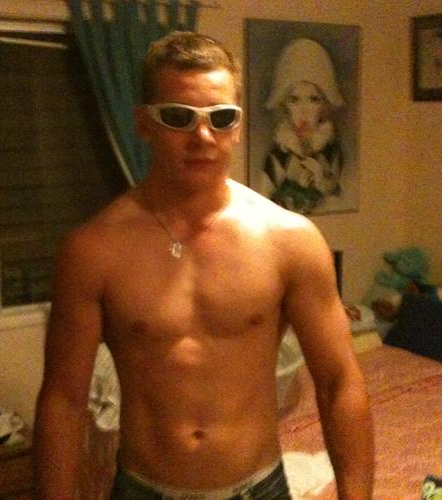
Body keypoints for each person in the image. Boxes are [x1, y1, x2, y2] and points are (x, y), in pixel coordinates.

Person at [34, 31, 374, 499]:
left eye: (221, 117)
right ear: (144, 124)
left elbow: (339, 383)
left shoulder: (290, 241)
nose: (202, 135)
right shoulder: (93, 250)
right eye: (179, 117)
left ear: (238, 125)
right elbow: (63, 401)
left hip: (259, 488)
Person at [262, 38, 344, 214]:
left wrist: (322, 182)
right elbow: (261, 210)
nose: (303, 111)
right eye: (294, 100)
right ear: (285, 105)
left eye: (313, 99)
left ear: (324, 105)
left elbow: (341, 203)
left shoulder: (333, 153)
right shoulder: (276, 158)